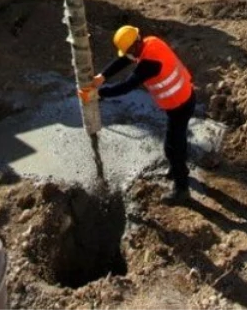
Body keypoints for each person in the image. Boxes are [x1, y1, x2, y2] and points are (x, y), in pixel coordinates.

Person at [79, 25, 196, 204]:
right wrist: (102, 77)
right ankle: (178, 168)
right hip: (185, 95)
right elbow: (124, 60)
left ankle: (182, 189)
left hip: (180, 105)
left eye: (128, 51)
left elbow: (126, 86)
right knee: (177, 141)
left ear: (135, 46)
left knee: (172, 147)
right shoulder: (149, 42)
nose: (128, 55)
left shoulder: (150, 63)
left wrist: (99, 94)